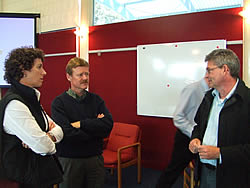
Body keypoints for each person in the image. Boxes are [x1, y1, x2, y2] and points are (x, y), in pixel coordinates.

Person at [0, 47, 64, 188]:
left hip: (37, 176)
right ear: (23, 69)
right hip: (24, 180)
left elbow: (59, 130)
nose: (44, 72)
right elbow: (44, 147)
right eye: (39, 67)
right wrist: (45, 139)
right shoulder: (15, 104)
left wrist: (48, 136)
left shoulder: (30, 98)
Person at [189, 49, 250, 188]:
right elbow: (198, 126)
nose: (207, 75)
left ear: (225, 69)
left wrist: (220, 153)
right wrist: (195, 138)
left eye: (210, 70)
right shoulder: (209, 97)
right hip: (205, 170)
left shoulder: (247, 101)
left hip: (235, 177)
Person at [51, 57, 113, 188]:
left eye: (87, 74)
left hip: (95, 159)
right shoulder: (59, 103)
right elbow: (66, 132)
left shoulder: (96, 100)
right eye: (80, 75)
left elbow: (108, 125)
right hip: (70, 160)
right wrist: (95, 129)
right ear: (69, 77)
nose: (85, 78)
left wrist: (81, 124)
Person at [156, 75, 209, 188]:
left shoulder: (213, 91)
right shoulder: (192, 89)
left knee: (203, 172)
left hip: (202, 138)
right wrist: (194, 134)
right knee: (173, 170)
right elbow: (178, 117)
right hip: (186, 138)